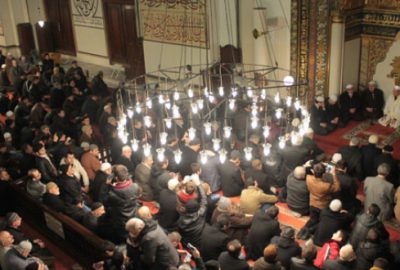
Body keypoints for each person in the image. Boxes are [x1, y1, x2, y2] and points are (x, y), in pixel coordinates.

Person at [298, 163, 341, 240]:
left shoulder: (308, 178)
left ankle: (302, 231)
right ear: (324, 173)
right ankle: (309, 231)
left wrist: (306, 166)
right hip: (322, 206)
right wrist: (334, 174)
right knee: (320, 222)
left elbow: (304, 170)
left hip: (312, 203)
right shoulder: (326, 186)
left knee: (312, 219)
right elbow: (337, 187)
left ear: (313, 172)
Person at [103, 165, 140, 243]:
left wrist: (108, 185)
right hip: (134, 216)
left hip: (121, 221)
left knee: (123, 239)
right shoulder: (135, 186)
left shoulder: (112, 194)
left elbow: (105, 202)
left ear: (116, 178)